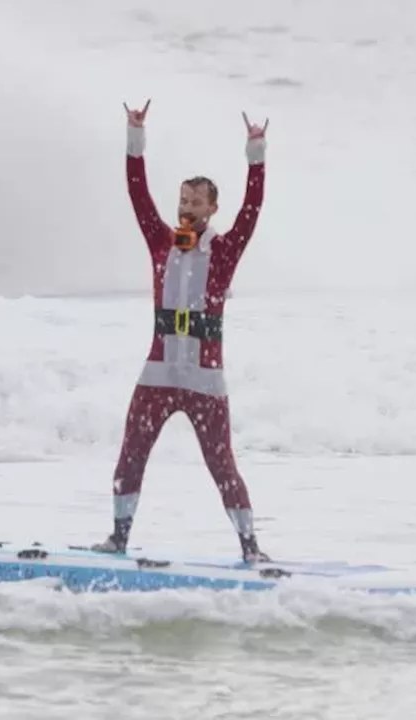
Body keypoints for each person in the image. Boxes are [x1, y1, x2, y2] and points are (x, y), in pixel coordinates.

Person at [92, 98, 271, 563]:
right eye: (182, 201)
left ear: (212, 208)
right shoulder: (160, 240)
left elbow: (253, 208)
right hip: (158, 373)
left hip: (204, 380)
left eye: (195, 202)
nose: (186, 208)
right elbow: (137, 193)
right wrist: (135, 138)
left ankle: (251, 549)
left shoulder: (226, 251)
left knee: (221, 465)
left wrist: (257, 154)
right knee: (131, 453)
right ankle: (118, 538)